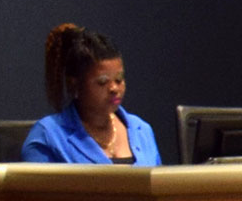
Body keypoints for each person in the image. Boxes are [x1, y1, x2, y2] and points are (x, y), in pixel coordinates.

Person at [22, 24, 161, 165]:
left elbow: (159, 185)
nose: (114, 88)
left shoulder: (142, 130)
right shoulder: (47, 136)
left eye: (119, 79)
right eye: (102, 82)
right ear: (74, 84)